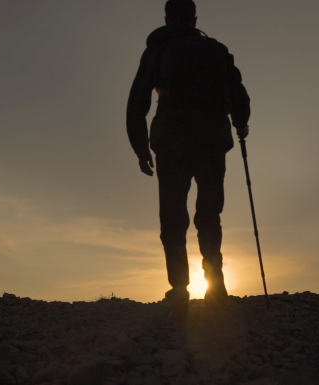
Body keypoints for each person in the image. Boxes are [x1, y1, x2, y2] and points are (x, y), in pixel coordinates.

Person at [126, 0, 250, 318]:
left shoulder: (159, 50)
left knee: (173, 218)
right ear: (195, 19)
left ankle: (180, 290)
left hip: (172, 141)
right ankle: (216, 286)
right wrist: (241, 123)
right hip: (212, 140)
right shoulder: (216, 50)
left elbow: (138, 99)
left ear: (167, 18)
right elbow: (238, 93)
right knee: (209, 215)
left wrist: (140, 147)